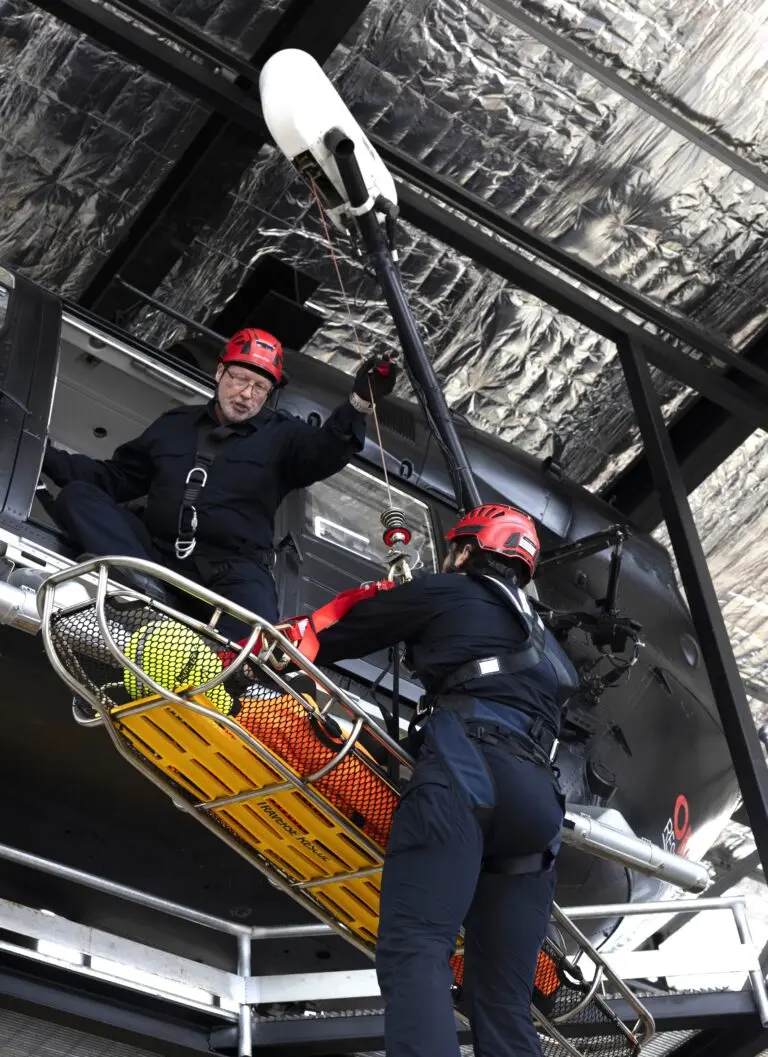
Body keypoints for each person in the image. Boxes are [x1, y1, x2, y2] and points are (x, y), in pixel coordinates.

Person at [311, 504, 579, 1057]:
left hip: (470, 770)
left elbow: (338, 631)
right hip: (538, 808)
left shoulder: (453, 591)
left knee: (417, 948)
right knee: (503, 998)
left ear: (467, 549)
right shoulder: (549, 649)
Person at [42, 328, 397, 639]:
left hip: (230, 573)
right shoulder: (174, 424)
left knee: (257, 633)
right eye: (240, 379)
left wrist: (360, 403)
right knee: (79, 497)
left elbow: (328, 449)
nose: (247, 394)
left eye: (260, 387)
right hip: (154, 556)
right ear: (219, 372)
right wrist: (42, 452)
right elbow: (116, 479)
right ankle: (138, 586)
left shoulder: (286, 437)